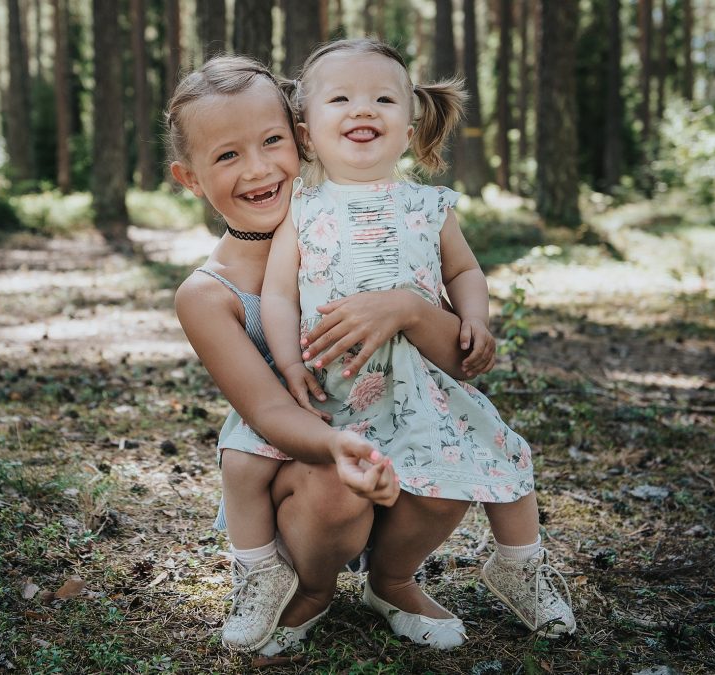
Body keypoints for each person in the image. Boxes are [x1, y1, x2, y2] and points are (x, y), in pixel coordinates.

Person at [261, 38, 577, 645]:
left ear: (407, 131)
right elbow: (278, 293)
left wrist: (475, 319)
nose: (364, 109)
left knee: (488, 460)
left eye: (383, 98)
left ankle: (433, 575)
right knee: (337, 490)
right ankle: (312, 586)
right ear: (305, 133)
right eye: (342, 98)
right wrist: (284, 361)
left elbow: (464, 272)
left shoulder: (429, 206)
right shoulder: (302, 208)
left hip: (418, 387)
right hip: (337, 388)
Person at [166, 56, 484, 655]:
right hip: (307, 465)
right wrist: (339, 446)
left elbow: (460, 365)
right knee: (336, 487)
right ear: (190, 178)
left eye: (271, 142)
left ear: (302, 136)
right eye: (227, 155)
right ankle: (308, 587)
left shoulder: (371, 233)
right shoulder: (208, 296)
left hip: (399, 429)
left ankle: (392, 582)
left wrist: (411, 309)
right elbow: (266, 410)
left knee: (454, 468)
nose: (258, 169)